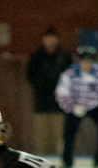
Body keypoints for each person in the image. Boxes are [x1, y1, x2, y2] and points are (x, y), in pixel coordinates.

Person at [55, 45, 98, 168]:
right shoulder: (69, 73)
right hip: (75, 107)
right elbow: (61, 93)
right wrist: (72, 107)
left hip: (94, 106)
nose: (86, 64)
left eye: (89, 61)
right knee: (67, 135)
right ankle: (67, 162)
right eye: (83, 61)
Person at [25, 27, 71, 156]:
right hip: (41, 104)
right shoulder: (36, 57)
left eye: (52, 37)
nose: (50, 40)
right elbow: (30, 76)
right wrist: (42, 86)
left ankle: (59, 164)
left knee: (59, 137)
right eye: (47, 37)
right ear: (43, 40)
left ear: (57, 39)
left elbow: (70, 77)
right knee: (41, 138)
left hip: (59, 105)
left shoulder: (64, 56)